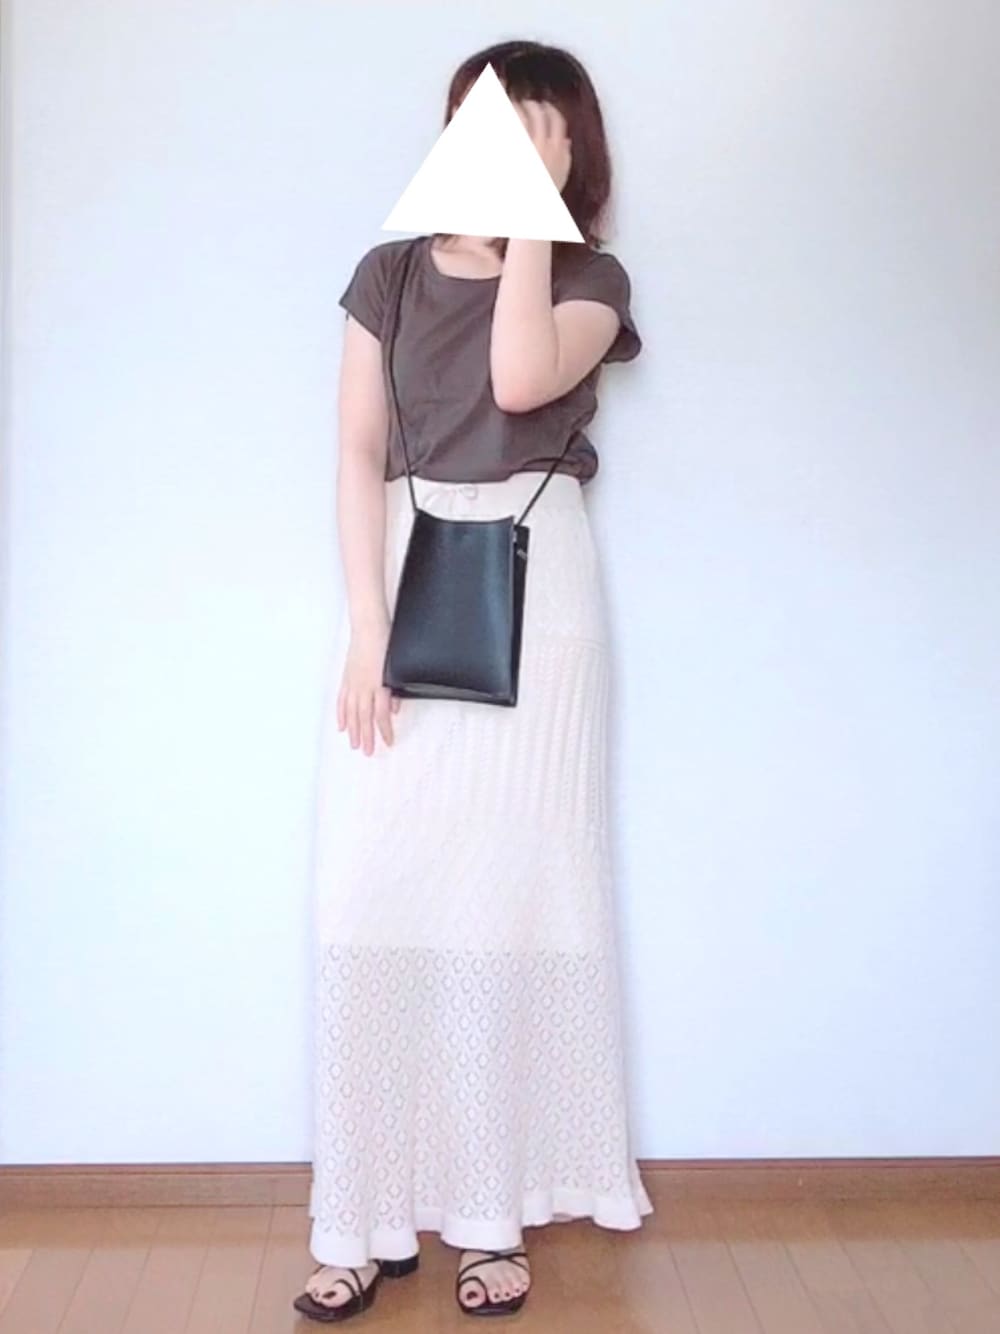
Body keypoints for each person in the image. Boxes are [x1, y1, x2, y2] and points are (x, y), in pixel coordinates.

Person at [293, 38, 653, 1324]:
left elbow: (515, 379)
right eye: (489, 123)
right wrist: (364, 626)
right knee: (368, 889)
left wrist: (530, 223)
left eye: (535, 130)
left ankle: (491, 1214)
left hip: (538, 590)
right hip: (403, 575)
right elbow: (355, 448)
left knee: (513, 894)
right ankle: (360, 1214)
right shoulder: (388, 273)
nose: (506, 145)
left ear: (570, 150)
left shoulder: (591, 279)